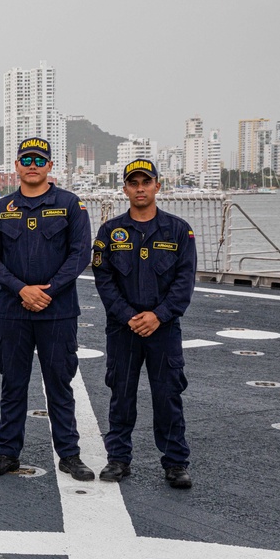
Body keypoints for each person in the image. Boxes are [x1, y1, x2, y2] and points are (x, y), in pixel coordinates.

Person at [0, 138, 95, 481]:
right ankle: (8, 454)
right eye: (26, 159)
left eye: (39, 159)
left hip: (57, 310)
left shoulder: (71, 205)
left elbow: (80, 254)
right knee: (13, 384)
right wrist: (22, 289)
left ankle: (70, 456)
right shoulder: (1, 209)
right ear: (16, 166)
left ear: (50, 166)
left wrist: (48, 291)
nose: (32, 164)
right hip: (13, 310)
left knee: (59, 384)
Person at [92, 159, 196, 489]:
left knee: (168, 396)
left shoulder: (179, 230)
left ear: (157, 186)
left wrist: (159, 315)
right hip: (123, 329)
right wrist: (128, 316)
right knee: (121, 394)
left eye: (145, 182)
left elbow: (184, 280)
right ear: (124, 188)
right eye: (133, 182)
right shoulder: (109, 232)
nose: (140, 188)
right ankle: (119, 459)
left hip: (163, 329)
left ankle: (175, 462)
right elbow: (103, 278)